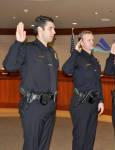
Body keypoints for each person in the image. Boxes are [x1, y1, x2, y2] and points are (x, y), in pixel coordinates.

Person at [3, 15, 59, 150]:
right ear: (40, 30)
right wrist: (17, 43)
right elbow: (9, 66)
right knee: (32, 145)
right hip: (33, 106)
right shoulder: (27, 48)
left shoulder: (52, 52)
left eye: (54, 29)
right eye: (51, 28)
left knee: (44, 145)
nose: (54, 32)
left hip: (50, 106)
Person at [62, 30, 104, 150]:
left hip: (94, 102)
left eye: (92, 40)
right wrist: (75, 51)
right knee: (80, 136)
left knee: (90, 136)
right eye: (89, 40)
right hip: (81, 103)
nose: (92, 42)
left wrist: (101, 100)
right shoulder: (77, 57)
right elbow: (66, 70)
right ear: (81, 42)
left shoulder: (95, 61)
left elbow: (97, 82)